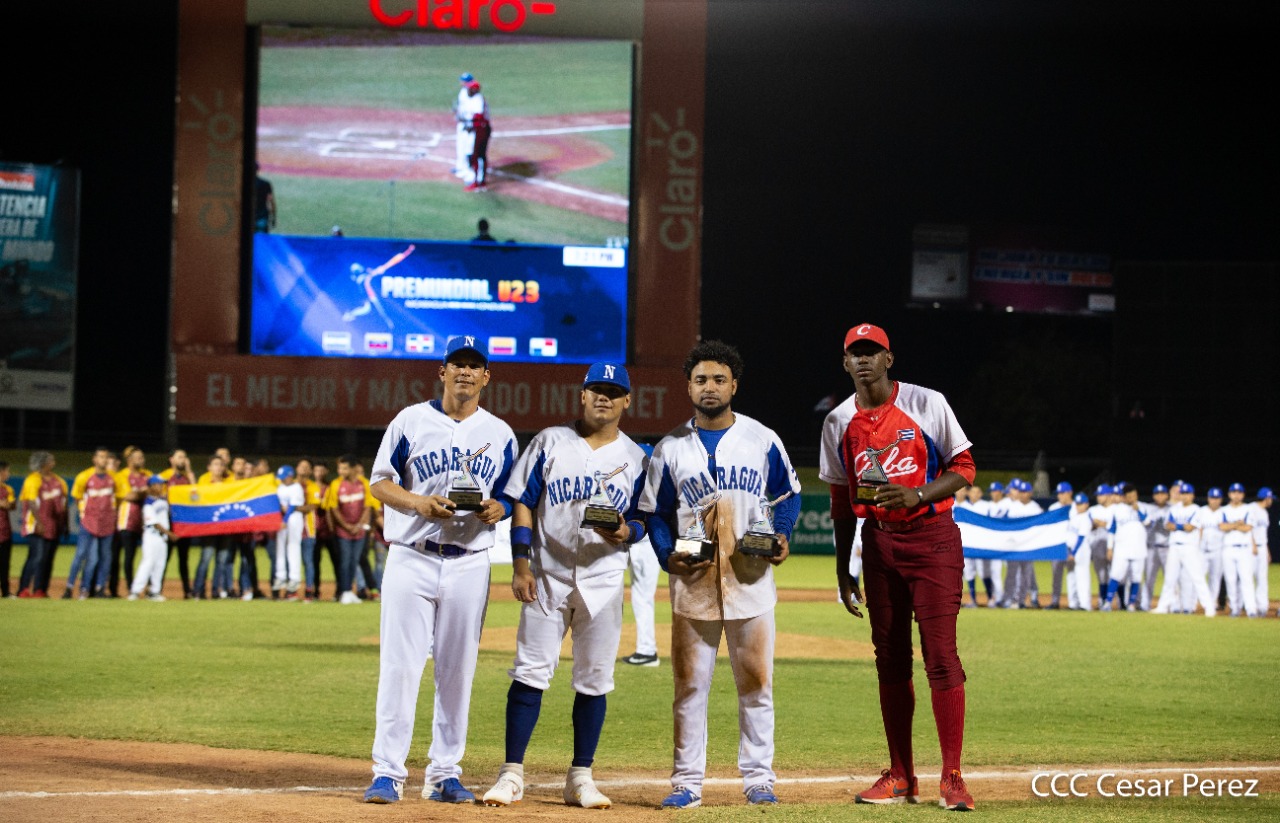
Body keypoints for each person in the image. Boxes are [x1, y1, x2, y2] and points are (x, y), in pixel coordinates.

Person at [820, 322, 976, 812]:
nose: (864, 359)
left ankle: (952, 776)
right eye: (855, 353)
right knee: (889, 657)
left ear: (889, 359)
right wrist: (843, 568)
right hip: (879, 544)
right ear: (845, 362)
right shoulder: (837, 421)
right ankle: (901, 774)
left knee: (940, 656)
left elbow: (965, 467)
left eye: (873, 351)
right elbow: (841, 500)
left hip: (932, 539)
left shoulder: (927, 403)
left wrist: (919, 494)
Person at [640, 340, 801, 809]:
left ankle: (759, 779)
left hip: (750, 580)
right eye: (700, 380)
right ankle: (687, 783)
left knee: (756, 684)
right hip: (692, 586)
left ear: (734, 385)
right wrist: (666, 554)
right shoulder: (670, 448)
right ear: (688, 387)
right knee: (689, 688)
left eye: (718, 379)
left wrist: (782, 534)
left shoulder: (762, 439)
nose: (709, 387)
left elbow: (788, 495)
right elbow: (654, 513)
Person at [481, 362, 649, 809]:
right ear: (582, 395)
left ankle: (581, 778)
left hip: (604, 580)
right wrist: (521, 565)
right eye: (596, 389)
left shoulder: (637, 458)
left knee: (595, 679)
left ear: (627, 400)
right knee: (529, 673)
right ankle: (511, 774)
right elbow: (523, 502)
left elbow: (643, 519)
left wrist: (626, 531)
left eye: (613, 391)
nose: (604, 397)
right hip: (547, 576)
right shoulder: (550, 441)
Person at [362, 334, 518, 805]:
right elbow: (379, 483)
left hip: (469, 562)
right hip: (412, 556)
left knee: (457, 670)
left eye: (474, 365)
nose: (465, 371)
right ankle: (388, 773)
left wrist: (501, 508)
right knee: (400, 667)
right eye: (457, 364)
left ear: (486, 376)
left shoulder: (501, 434)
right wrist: (417, 503)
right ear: (442, 371)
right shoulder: (410, 421)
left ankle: (444, 774)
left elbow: (511, 495)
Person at [621, 444, 660, 666]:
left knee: (642, 596)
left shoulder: (648, 480)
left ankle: (647, 651)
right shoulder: (651, 478)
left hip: (644, 542)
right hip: (633, 538)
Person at [17, 451, 68, 598]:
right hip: (36, 526)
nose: (53, 462)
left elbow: (64, 504)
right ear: (43, 463)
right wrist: (39, 523)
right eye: (51, 460)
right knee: (36, 557)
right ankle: (23, 589)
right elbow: (31, 502)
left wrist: (65, 525)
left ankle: (41, 589)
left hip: (54, 526)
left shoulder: (59, 481)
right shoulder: (33, 480)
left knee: (48, 559)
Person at [325, 454, 373, 604]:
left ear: (353, 469)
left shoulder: (364, 484)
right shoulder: (336, 485)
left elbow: (368, 506)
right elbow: (334, 509)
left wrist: (358, 526)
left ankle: (350, 591)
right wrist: (346, 526)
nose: (341, 471)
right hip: (343, 532)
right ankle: (344, 590)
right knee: (345, 561)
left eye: (345, 468)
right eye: (340, 468)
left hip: (359, 531)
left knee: (354, 561)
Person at [67, 448, 115, 599]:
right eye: (101, 457)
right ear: (94, 459)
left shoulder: (113, 477)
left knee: (105, 557)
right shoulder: (84, 476)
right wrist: (85, 514)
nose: (104, 460)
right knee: (82, 555)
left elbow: (119, 497)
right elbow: (76, 497)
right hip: (90, 523)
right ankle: (69, 587)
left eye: (106, 457)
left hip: (106, 524)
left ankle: (96, 588)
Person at [105, 446, 149, 598]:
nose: (142, 460)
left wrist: (140, 493)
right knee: (121, 557)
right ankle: (123, 589)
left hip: (142, 523)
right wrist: (144, 491)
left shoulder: (147, 475)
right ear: (129, 460)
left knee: (143, 557)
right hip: (124, 521)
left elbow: (154, 491)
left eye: (142, 457)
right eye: (138, 457)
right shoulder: (122, 475)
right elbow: (129, 496)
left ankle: (140, 588)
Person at [341, 245, 415, 329]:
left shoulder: (366, 275)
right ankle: (389, 324)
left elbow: (390, 263)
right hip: (369, 298)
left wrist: (407, 252)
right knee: (375, 311)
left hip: (371, 298)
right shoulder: (362, 278)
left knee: (373, 310)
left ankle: (389, 324)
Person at [1101, 482, 1148, 611]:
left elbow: (1147, 522)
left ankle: (1131, 604)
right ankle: (1108, 603)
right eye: (1130, 496)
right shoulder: (1117, 509)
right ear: (1124, 497)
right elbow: (1111, 530)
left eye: (1134, 495)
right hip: (1122, 548)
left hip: (1139, 548)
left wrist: (1138, 510)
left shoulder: (1142, 507)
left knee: (1136, 577)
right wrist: (1110, 548)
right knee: (1116, 575)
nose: (1133, 498)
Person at [128, 476, 172, 601]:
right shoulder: (148, 502)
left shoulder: (164, 500)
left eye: (162, 484)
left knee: (160, 564)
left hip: (162, 538)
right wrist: (170, 534)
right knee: (148, 562)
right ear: (151, 486)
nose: (161, 487)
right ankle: (135, 591)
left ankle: (154, 591)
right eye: (158, 484)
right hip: (151, 536)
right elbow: (153, 522)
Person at [159, 449, 197, 597]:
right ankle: (156, 588)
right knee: (164, 556)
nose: (183, 459)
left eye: (184, 457)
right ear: (172, 459)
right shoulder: (165, 476)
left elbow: (196, 497)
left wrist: (190, 473)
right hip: (169, 521)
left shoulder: (188, 477)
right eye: (180, 457)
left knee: (184, 558)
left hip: (184, 522)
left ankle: (187, 591)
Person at [1220, 483, 1258, 617]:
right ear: (1229, 494)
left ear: (1243, 495)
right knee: (1230, 581)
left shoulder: (1248, 509)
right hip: (1228, 549)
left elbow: (1248, 528)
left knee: (1246, 579)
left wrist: (1231, 525)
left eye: (1239, 492)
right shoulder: (1223, 510)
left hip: (1244, 549)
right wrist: (1238, 523)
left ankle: (1251, 609)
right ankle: (1234, 609)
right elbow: (1222, 527)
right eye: (1234, 492)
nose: (1236, 495)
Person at [274, 465, 306, 600]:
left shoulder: (296, 487)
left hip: (293, 518)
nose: (282, 479)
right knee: (280, 547)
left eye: (284, 477)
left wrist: (285, 520)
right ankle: (280, 576)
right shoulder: (280, 487)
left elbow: (292, 506)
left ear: (290, 476)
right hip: (282, 518)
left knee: (293, 546)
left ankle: (294, 578)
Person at [1141, 483, 1171, 610]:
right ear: (1153, 496)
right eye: (1157, 494)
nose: (1160, 496)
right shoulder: (1148, 508)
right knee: (1149, 578)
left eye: (1162, 493)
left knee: (1170, 578)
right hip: (1151, 548)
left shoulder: (1172, 508)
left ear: (1167, 495)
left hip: (1167, 548)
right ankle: (1145, 604)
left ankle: (1172, 605)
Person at [458, 80, 491, 191]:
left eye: (469, 88)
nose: (467, 90)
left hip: (481, 130)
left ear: (474, 90)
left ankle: (478, 182)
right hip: (479, 129)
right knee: (477, 155)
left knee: (477, 156)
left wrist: (468, 122)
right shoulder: (474, 99)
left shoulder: (478, 100)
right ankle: (479, 181)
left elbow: (478, 116)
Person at [1046, 481, 1074, 609]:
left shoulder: (1077, 507)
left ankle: (1074, 603)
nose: (1060, 496)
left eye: (1063, 493)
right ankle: (1055, 601)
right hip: (1057, 545)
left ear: (1070, 493)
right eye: (1059, 493)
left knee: (1073, 575)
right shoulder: (1053, 508)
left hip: (1072, 546)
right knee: (1056, 576)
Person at [1249, 487, 1272, 617]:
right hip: (1252, 548)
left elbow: (1264, 535)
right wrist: (1253, 544)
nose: (1271, 501)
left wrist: (1267, 551)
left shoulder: (1265, 512)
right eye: (1270, 498)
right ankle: (1249, 605)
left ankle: (1262, 606)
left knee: (1262, 578)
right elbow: (1249, 528)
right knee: (1248, 577)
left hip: (1262, 547)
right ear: (1266, 498)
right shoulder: (1252, 508)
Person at [452, 72, 476, 178]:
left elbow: (470, 110)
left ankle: (467, 169)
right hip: (462, 122)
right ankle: (460, 166)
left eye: (464, 81)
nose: (462, 83)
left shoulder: (470, 93)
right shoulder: (463, 91)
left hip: (468, 124)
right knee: (460, 145)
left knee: (467, 147)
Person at [0, 461, 15, 598]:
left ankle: (5, 592)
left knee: (5, 564)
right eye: (7, 471)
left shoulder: (7, 489)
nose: (8, 474)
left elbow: (11, 505)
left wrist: (6, 504)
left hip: (4, 532)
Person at [254, 163, 276, 233]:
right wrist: (274, 217)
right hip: (262, 217)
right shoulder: (265, 184)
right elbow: (271, 201)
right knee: (262, 238)